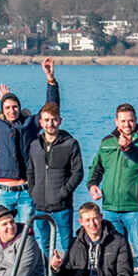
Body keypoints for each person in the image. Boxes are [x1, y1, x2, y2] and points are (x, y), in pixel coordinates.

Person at [0, 57, 59, 225]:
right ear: (2, 110)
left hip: (26, 191)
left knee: (26, 232)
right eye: (7, 108)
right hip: (4, 192)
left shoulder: (29, 124)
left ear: (19, 107)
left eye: (15, 107)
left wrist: (50, 79)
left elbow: (51, 108)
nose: (12, 110)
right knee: (2, 232)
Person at [87, 104, 138, 256]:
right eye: (123, 121)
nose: (127, 124)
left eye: (130, 121)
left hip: (135, 207)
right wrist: (93, 184)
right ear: (116, 121)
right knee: (114, 252)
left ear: (136, 120)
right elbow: (96, 168)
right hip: (110, 208)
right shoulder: (107, 142)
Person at [23, 102, 85, 253]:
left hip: (62, 206)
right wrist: (33, 192)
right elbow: (30, 171)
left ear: (60, 121)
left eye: (54, 119)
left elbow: (77, 172)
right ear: (41, 122)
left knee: (67, 243)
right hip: (40, 206)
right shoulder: (34, 144)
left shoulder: (70, 144)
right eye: (46, 120)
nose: (50, 124)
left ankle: (68, 275)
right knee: (44, 244)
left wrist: (63, 192)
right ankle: (48, 273)